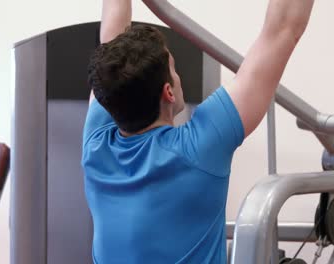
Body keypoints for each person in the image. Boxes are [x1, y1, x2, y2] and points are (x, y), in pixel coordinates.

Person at [82, 0, 315, 263]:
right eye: (173, 67)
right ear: (168, 92)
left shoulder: (96, 147)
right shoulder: (197, 149)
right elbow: (283, 28)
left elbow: (111, 36)